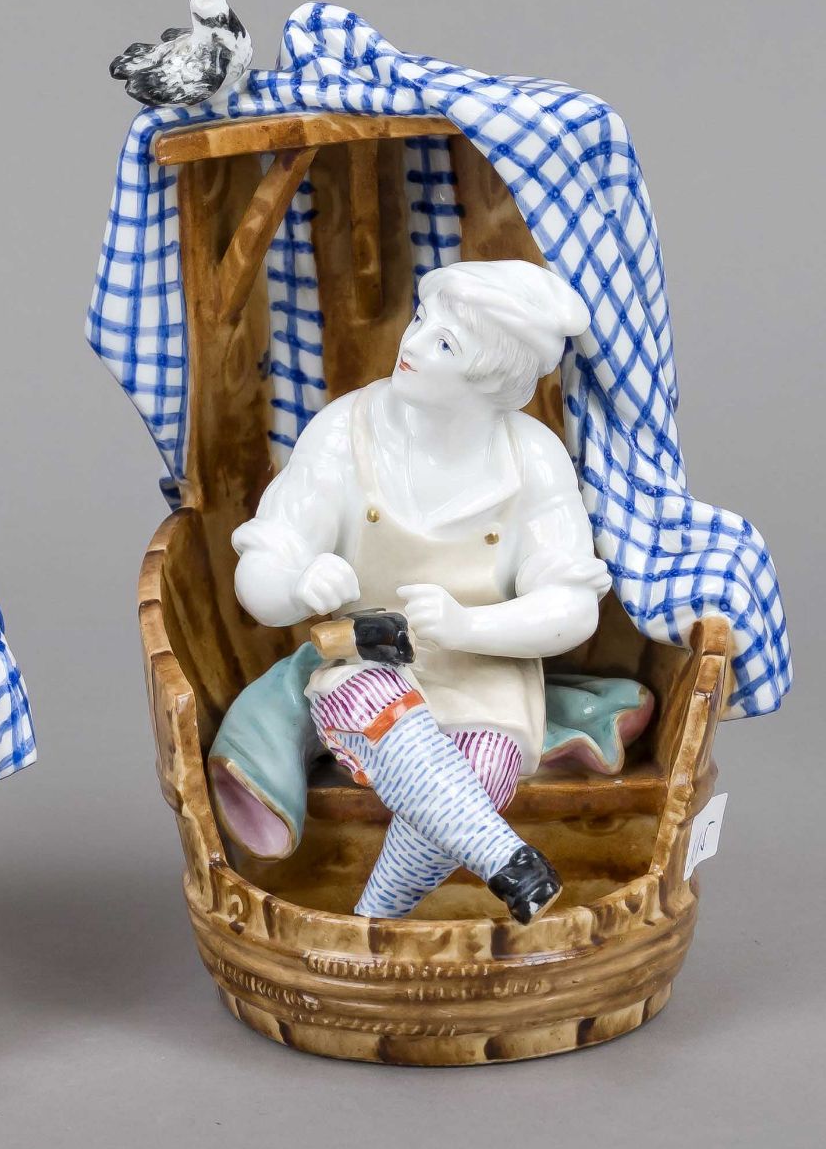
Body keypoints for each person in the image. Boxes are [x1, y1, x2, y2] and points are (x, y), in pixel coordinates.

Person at [228, 260, 611, 922]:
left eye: (444, 344)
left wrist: (469, 628)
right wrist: (296, 584)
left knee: (480, 770)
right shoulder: (344, 436)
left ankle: (375, 920)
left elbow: (571, 606)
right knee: (385, 706)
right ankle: (505, 859)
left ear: (493, 376)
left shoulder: (533, 459)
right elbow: (262, 568)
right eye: (421, 320)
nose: (411, 344)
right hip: (364, 662)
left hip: (485, 675)